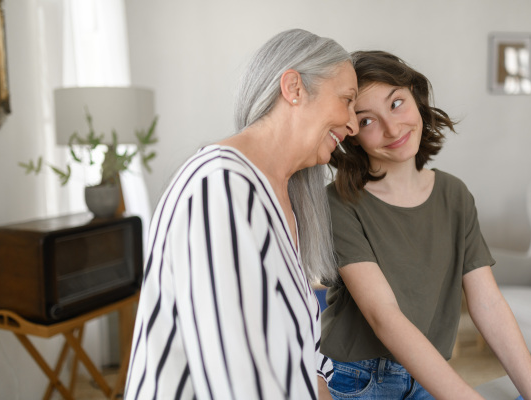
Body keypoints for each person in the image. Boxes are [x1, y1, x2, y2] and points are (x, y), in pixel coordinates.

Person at [124, 29, 359, 400]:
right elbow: (238, 383)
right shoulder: (218, 186)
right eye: (347, 100)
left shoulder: (282, 198)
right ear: (294, 87)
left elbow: (297, 357)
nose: (354, 124)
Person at [321, 50, 531, 400]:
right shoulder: (339, 202)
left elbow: (488, 303)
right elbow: (384, 316)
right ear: (350, 133)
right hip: (360, 380)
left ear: (416, 95)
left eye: (396, 103)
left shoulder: (454, 194)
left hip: (429, 372)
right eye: (367, 121)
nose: (393, 128)